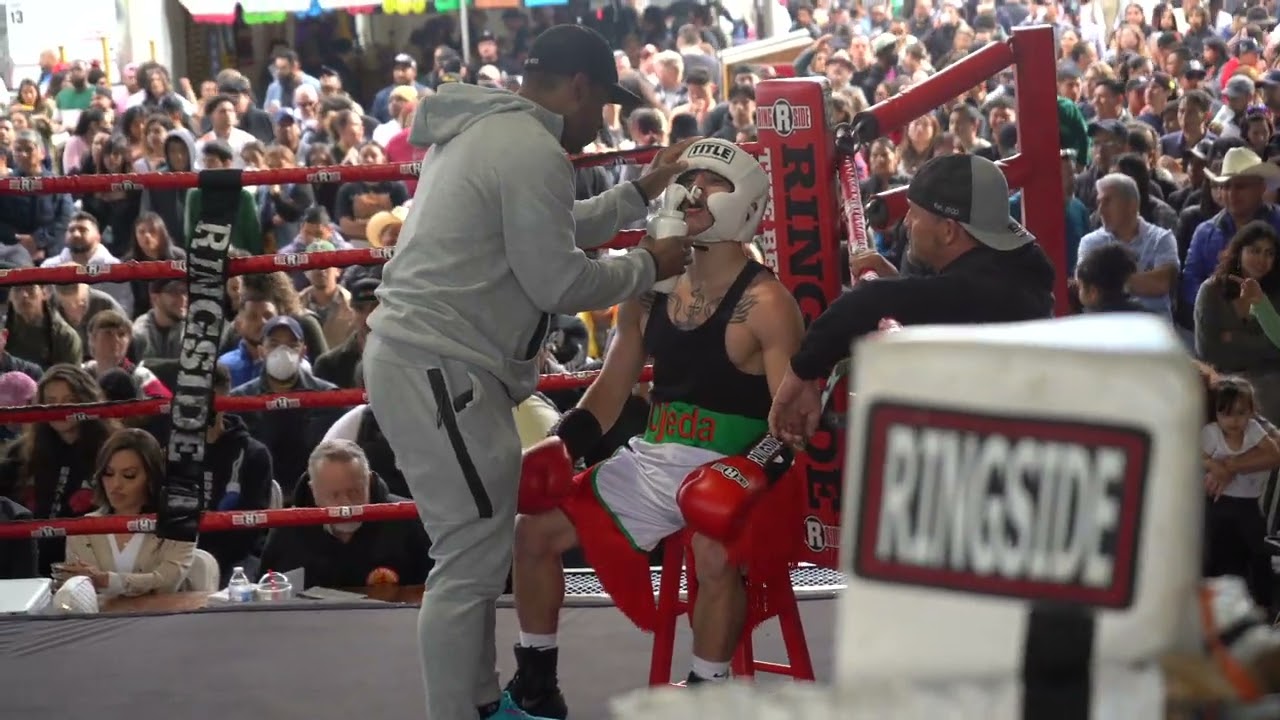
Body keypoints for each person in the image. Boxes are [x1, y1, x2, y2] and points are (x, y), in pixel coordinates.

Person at [361, 24, 698, 720]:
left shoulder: (492, 132)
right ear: (581, 88)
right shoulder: (532, 148)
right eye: (604, 105)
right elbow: (555, 279)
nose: (602, 122)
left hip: (437, 365)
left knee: (475, 553)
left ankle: (483, 703)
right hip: (440, 366)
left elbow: (551, 225)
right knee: (467, 560)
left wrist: (642, 191)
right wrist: (648, 266)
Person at [507, 138, 803, 716]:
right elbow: (614, 386)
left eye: (710, 182)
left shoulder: (766, 303)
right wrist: (564, 443)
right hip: (656, 457)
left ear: (742, 200)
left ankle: (708, 695)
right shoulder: (650, 288)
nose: (692, 191)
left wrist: (744, 473)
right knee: (532, 530)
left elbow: (792, 423)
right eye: (686, 178)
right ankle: (538, 686)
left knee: (715, 550)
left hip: (746, 466)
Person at [769, 154, 1057, 446]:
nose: (906, 222)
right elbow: (944, 299)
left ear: (948, 231)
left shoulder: (984, 292)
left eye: (914, 214)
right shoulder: (1015, 270)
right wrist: (901, 286)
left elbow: (870, 301)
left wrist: (800, 371)